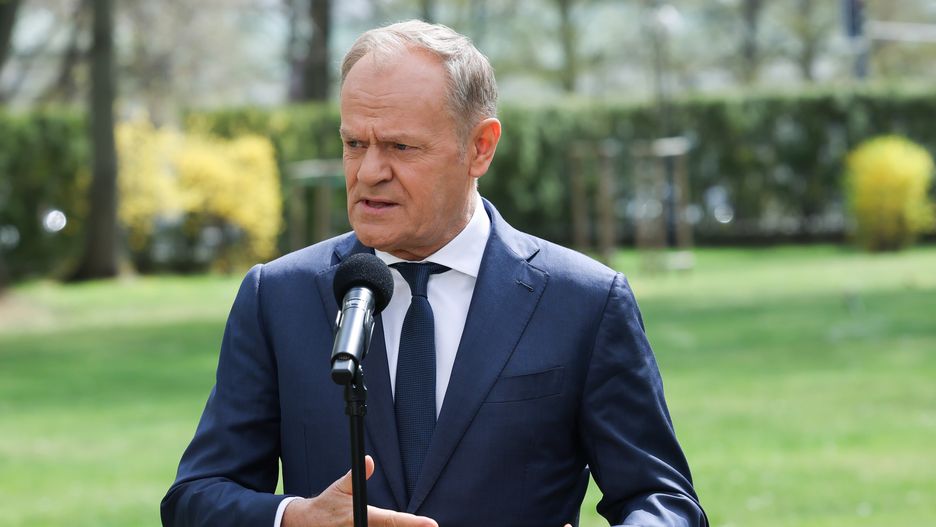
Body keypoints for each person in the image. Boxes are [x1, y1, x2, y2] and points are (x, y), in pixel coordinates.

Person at [161, 20, 706, 527]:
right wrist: (293, 518)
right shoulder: (277, 297)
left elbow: (662, 500)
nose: (369, 171)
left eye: (400, 147)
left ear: (480, 148)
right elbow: (196, 496)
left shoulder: (584, 301)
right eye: (354, 144)